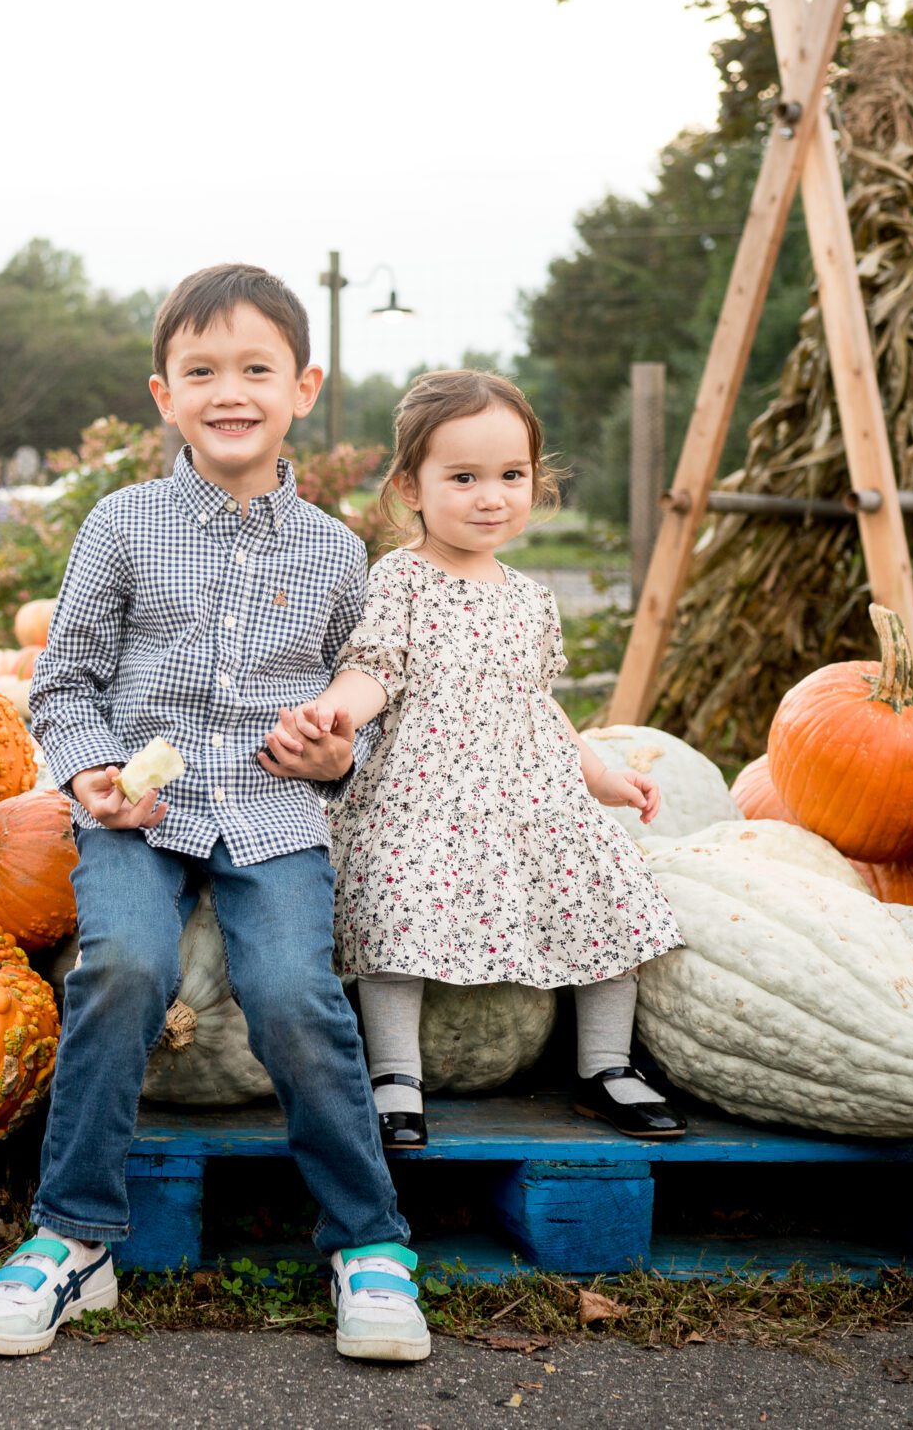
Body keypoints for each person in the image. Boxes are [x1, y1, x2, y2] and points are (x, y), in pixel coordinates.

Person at [0, 264, 430, 1365]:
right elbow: (62, 682)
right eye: (201, 369)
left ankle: (368, 1240)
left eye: (256, 368)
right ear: (162, 393)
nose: (231, 390)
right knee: (120, 965)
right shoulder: (118, 526)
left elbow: (348, 711)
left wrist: (329, 750)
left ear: (303, 386)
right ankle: (73, 1237)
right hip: (137, 814)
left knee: (293, 992)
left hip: (271, 812)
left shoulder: (332, 554)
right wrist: (91, 781)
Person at [264, 369, 688, 1150]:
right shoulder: (403, 579)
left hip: (530, 794)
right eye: (463, 477)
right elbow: (375, 670)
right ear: (410, 488)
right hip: (425, 793)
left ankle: (605, 1064)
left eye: (511, 476)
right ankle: (395, 1074)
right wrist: (336, 711)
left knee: (609, 883)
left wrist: (599, 772)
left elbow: (538, 701)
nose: (491, 496)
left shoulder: (530, 597)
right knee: (400, 891)